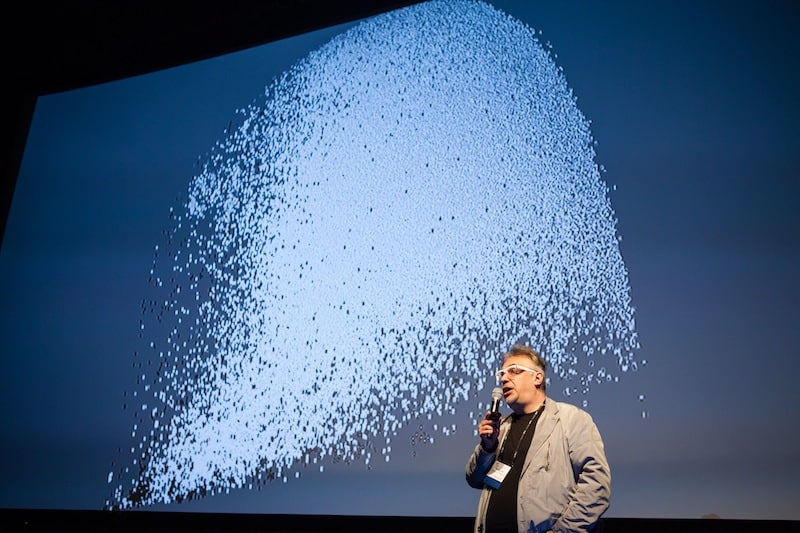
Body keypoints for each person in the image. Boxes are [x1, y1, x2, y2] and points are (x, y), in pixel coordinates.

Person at [465, 344, 611, 533]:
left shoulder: (571, 418)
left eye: (514, 371)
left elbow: (596, 485)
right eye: (501, 373)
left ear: (537, 377)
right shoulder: (502, 427)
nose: (504, 378)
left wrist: (561, 531)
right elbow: (473, 479)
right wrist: (487, 447)